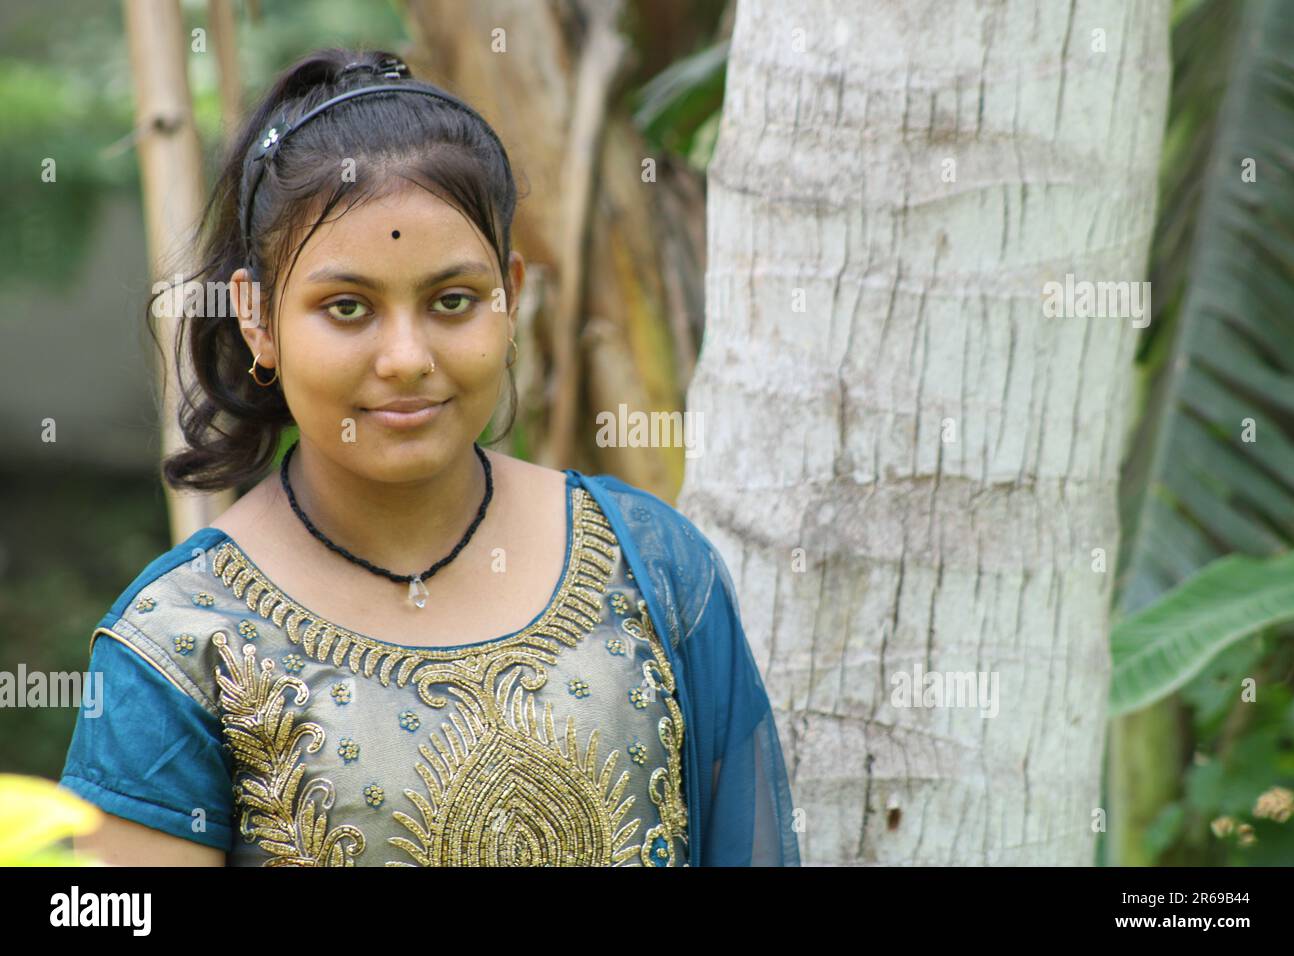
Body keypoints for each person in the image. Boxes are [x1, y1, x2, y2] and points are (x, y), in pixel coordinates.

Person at [58, 48, 799, 867]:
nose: (407, 356)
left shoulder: (654, 571)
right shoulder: (180, 646)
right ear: (258, 319)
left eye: (452, 301)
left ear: (510, 298)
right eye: (348, 308)